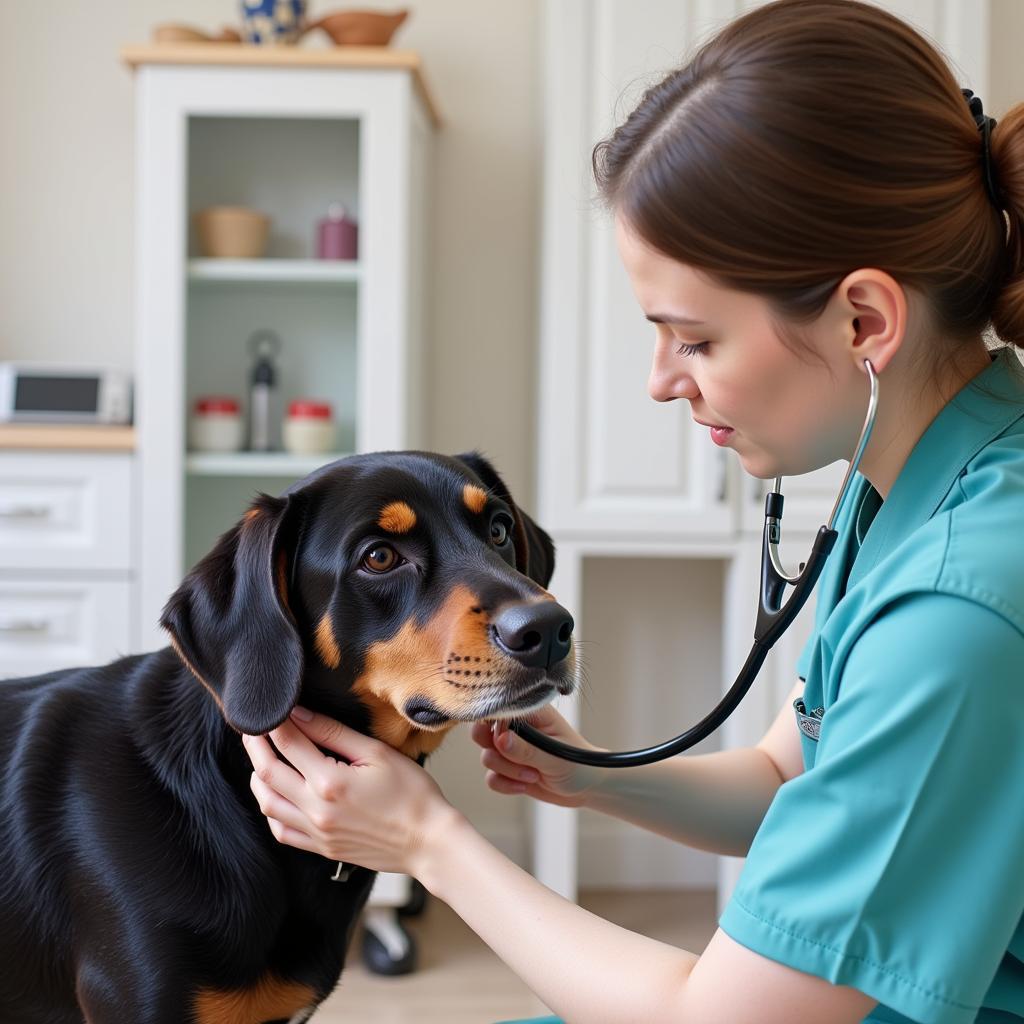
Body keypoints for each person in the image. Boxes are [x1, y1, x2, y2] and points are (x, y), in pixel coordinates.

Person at [240, 1, 1024, 1020]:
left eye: (694, 339)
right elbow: (794, 775)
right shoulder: (917, 491)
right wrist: (588, 774)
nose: (662, 380)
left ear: (863, 319)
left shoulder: (962, 602)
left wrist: (429, 842)